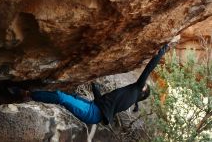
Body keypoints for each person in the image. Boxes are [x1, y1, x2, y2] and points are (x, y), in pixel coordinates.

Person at [11, 37, 179, 125]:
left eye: (145, 85)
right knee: (69, 94)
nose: (144, 82)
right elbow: (102, 102)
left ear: (143, 90)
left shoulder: (135, 91)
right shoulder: (127, 96)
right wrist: (95, 85)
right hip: (94, 106)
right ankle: (30, 94)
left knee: (61, 97)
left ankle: (28, 95)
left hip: (93, 114)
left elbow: (148, 69)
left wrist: (163, 49)